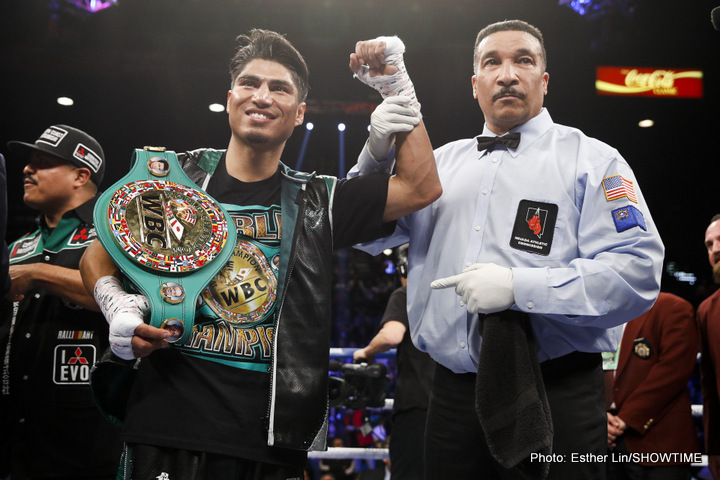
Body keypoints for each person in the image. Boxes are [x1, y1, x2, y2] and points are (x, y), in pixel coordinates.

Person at [79, 29, 440, 480]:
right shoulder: (177, 178)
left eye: (279, 88)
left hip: (271, 437)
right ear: (231, 99)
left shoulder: (316, 200)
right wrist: (115, 304)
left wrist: (396, 86)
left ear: (299, 113)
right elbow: (98, 253)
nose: (262, 96)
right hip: (166, 422)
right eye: (250, 84)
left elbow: (422, 187)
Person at [349, 20, 663, 479]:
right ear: (476, 84)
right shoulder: (440, 167)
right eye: (492, 63)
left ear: (544, 80)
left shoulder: (592, 160)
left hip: (558, 391)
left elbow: (637, 273)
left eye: (524, 60)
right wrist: (376, 154)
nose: (508, 74)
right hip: (452, 396)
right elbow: (364, 234)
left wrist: (521, 287)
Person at [0, 124, 122, 479]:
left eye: (42, 162)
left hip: (86, 440)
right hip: (16, 436)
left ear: (80, 175)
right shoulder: (20, 245)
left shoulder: (114, 234)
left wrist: (39, 273)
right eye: (28, 162)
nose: (26, 169)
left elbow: (125, 298)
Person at [353, 244, 433, 480]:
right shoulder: (453, 296)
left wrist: (367, 351)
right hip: (454, 403)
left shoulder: (406, 294)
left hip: (417, 405)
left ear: (405, 270)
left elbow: (392, 335)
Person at [605, 292, 699, 479]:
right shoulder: (596, 311)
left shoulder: (672, 307)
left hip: (659, 440)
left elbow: (673, 371)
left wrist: (624, 420)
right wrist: (598, 415)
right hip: (603, 442)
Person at [697, 213, 720, 480]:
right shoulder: (706, 311)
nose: (715, 249)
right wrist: (713, 450)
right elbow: (710, 389)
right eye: (709, 244)